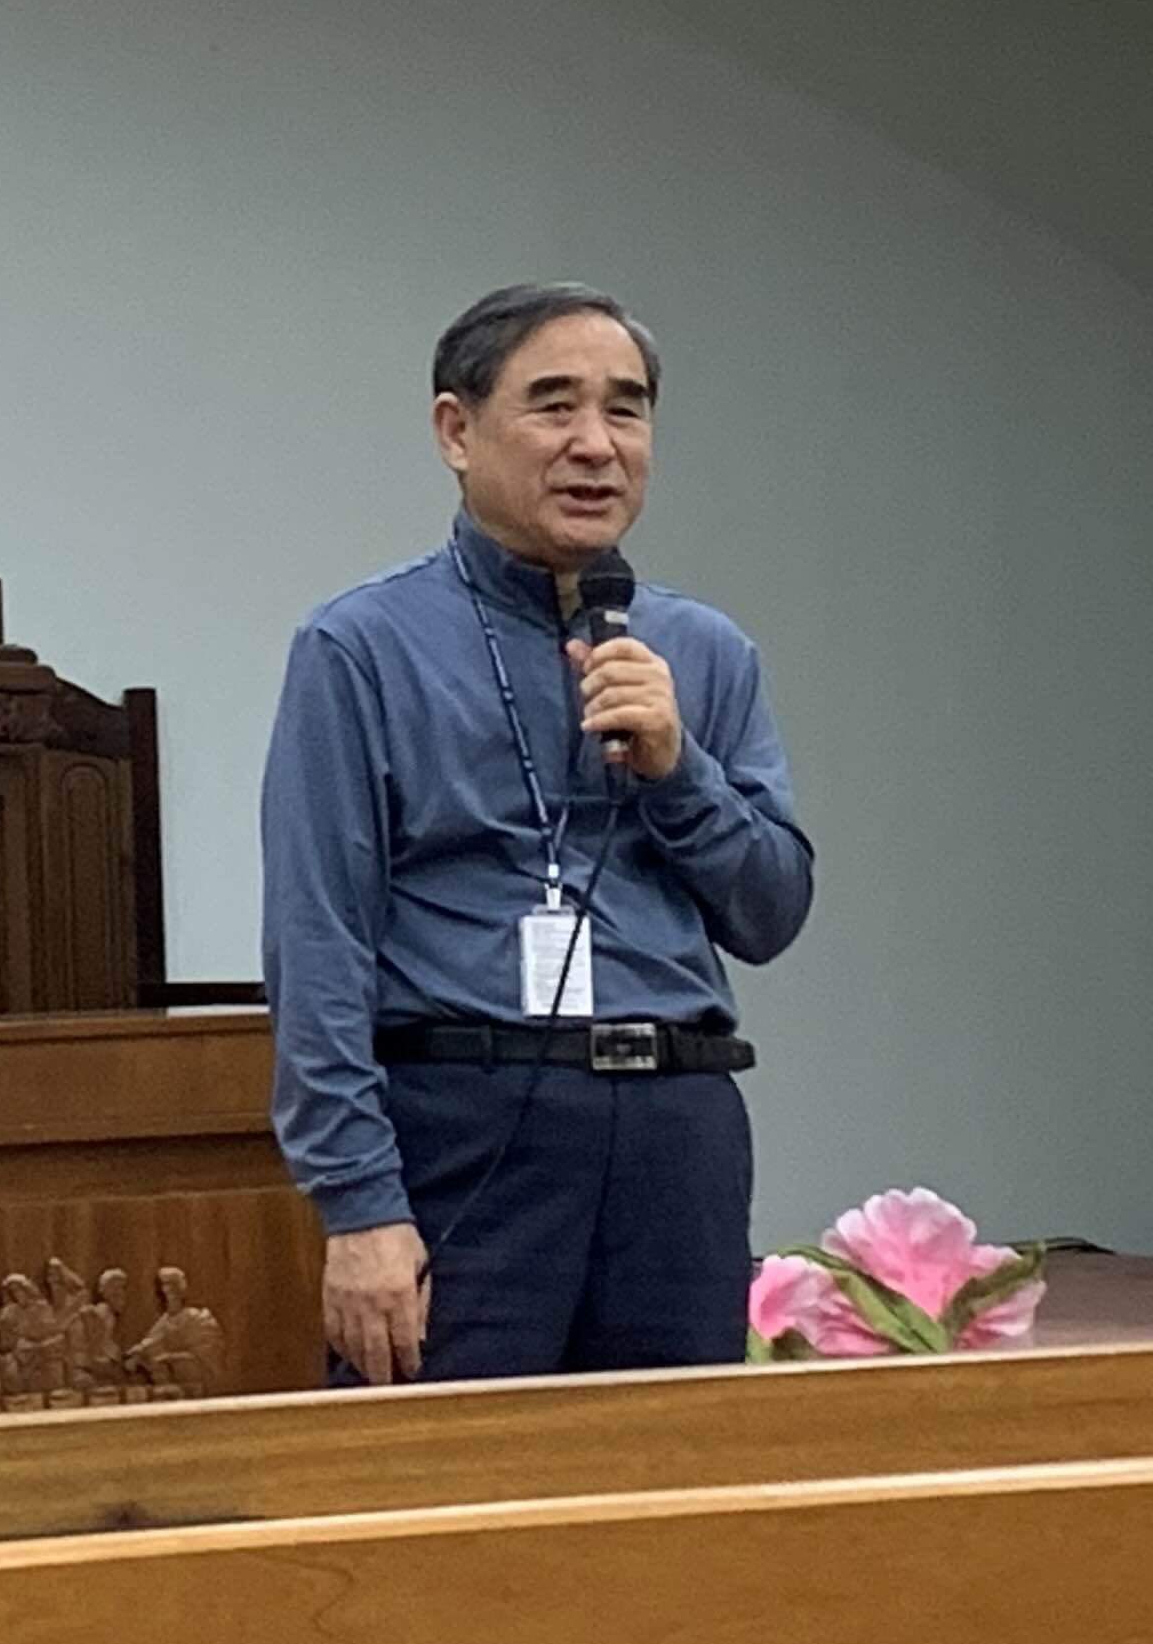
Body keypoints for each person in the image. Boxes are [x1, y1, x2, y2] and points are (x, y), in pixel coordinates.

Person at [262, 282, 816, 1383]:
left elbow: (771, 912)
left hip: (675, 1128)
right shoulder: (361, 648)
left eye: (626, 409)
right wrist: (359, 1205)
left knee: (666, 1475)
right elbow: (318, 945)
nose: (596, 445)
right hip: (464, 1125)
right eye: (555, 405)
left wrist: (679, 771)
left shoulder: (704, 652)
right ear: (456, 431)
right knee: (447, 1474)